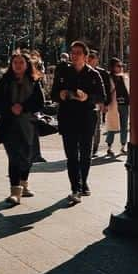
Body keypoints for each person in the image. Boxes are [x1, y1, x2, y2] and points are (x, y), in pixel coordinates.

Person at [51, 41, 106, 203]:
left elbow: (102, 97)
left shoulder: (94, 74)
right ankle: (75, 187)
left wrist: (88, 97)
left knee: (85, 155)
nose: (74, 56)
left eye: (78, 53)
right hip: (67, 117)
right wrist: (60, 94)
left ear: (86, 56)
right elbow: (53, 93)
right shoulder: (63, 71)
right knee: (72, 156)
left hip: (87, 118)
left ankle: (83, 183)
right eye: (72, 52)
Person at [0, 51, 46, 205]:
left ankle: (24, 184)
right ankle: (14, 191)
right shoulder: (6, 80)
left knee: (27, 156)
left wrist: (23, 107)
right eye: (15, 62)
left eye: (21, 62)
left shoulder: (34, 81)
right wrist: (10, 107)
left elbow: (40, 103)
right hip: (9, 124)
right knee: (14, 157)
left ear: (27, 64)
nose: (17, 65)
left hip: (28, 124)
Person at [88, 51, 113, 156]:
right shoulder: (83, 71)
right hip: (85, 104)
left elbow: (107, 89)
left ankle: (94, 148)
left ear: (96, 60)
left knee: (96, 126)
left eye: (92, 59)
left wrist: (106, 103)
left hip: (97, 103)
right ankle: (87, 147)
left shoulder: (102, 73)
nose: (90, 61)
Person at [105, 58, 131, 156]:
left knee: (124, 126)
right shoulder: (109, 78)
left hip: (124, 104)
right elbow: (107, 92)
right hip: (113, 104)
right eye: (118, 66)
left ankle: (122, 147)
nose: (120, 68)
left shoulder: (125, 77)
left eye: (121, 66)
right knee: (112, 126)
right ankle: (109, 147)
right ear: (112, 67)